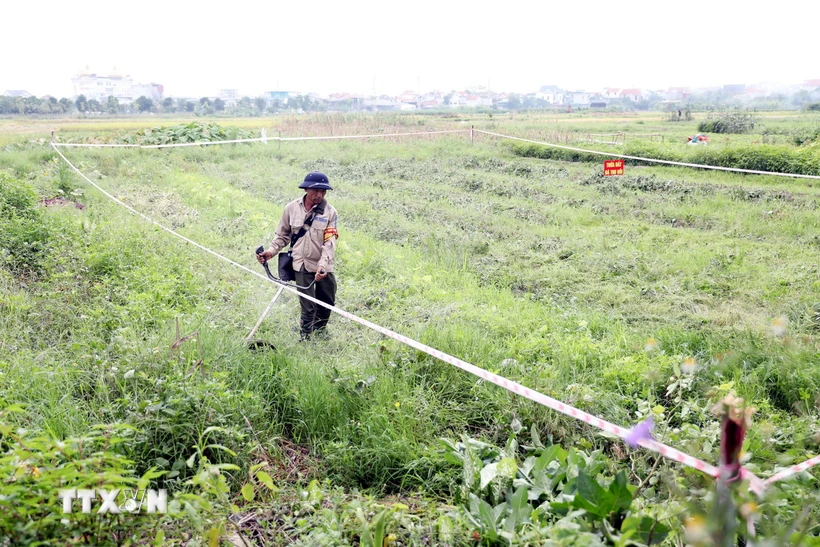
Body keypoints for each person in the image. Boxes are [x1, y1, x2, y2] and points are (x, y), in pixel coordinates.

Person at [256, 171, 339, 340]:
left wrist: (322, 266)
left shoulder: (330, 213)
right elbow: (283, 235)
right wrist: (271, 251)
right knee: (307, 304)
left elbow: (329, 243)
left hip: (324, 264)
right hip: (300, 263)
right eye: (316, 191)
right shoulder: (291, 208)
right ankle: (306, 335)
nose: (320, 195)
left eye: (323, 191)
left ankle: (320, 330)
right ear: (306, 189)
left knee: (327, 300)